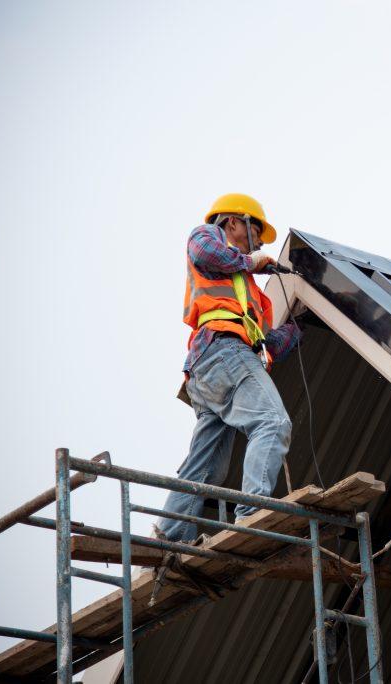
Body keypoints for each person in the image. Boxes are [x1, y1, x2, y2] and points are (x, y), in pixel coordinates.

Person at [156, 193, 302, 543]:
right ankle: (251, 513)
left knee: (207, 464)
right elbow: (206, 253)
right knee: (272, 422)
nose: (257, 241)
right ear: (233, 221)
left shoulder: (248, 292)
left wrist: (297, 328)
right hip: (221, 351)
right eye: (255, 230)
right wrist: (252, 261)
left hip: (213, 367)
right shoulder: (207, 236)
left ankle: (172, 534)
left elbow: (268, 344)